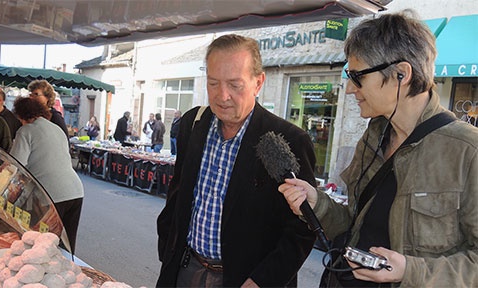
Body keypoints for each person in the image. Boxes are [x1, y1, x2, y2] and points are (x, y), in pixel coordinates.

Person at [279, 11, 478, 287]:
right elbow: (354, 223)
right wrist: (316, 204)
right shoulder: (374, 136)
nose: (350, 89)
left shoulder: (468, 150)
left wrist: (409, 270)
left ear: (401, 74)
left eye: (358, 76)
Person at [156, 34, 317, 287]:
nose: (222, 96)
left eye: (235, 84)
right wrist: (168, 249)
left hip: (246, 281)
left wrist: (262, 281)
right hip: (185, 269)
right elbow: (177, 194)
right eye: (213, 83)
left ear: (258, 82)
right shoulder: (193, 124)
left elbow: (302, 229)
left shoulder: (290, 140)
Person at [10, 97, 84, 254]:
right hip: (75, 191)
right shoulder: (56, 129)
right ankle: (71, 274)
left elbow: (15, 165)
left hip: (49, 194)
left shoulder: (25, 131)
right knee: (67, 244)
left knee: (42, 246)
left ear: (21, 116)